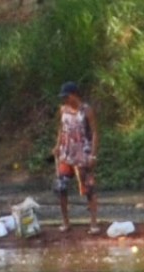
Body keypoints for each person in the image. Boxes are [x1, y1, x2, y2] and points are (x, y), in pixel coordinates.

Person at [53, 81, 99, 234]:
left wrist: (93, 155)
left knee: (89, 189)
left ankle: (93, 223)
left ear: (74, 95)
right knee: (61, 188)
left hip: (82, 154)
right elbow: (61, 129)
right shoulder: (63, 110)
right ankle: (66, 222)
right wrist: (57, 146)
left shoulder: (86, 111)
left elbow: (94, 133)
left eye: (66, 96)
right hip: (66, 154)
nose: (64, 99)